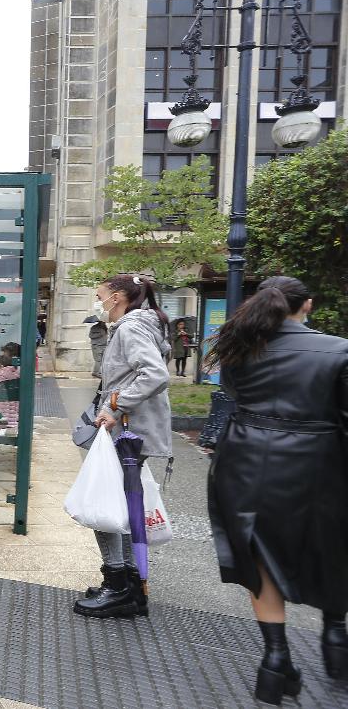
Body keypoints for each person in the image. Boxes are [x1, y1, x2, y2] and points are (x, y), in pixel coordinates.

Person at [205, 276, 348, 704]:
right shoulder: (339, 350)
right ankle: (335, 635)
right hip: (318, 460)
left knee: (259, 557)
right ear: (306, 305)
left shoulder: (239, 347)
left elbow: (232, 395)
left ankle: (275, 658)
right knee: (332, 546)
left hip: (243, 460)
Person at [73, 274, 172, 619]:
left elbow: (155, 375)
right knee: (125, 505)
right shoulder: (138, 324)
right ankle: (129, 584)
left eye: (100, 295)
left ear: (117, 297)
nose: (98, 301)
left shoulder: (131, 327)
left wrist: (116, 405)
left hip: (126, 430)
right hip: (132, 429)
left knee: (103, 502)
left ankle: (117, 583)